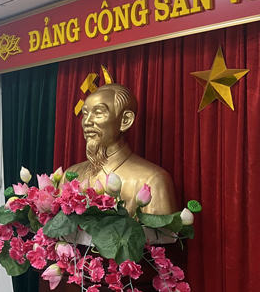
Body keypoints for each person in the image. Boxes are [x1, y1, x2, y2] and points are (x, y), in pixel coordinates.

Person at [64, 83, 178, 216]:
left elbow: (161, 229)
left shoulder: (152, 180)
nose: (87, 122)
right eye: (85, 114)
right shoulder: (71, 175)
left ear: (125, 120)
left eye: (98, 113)